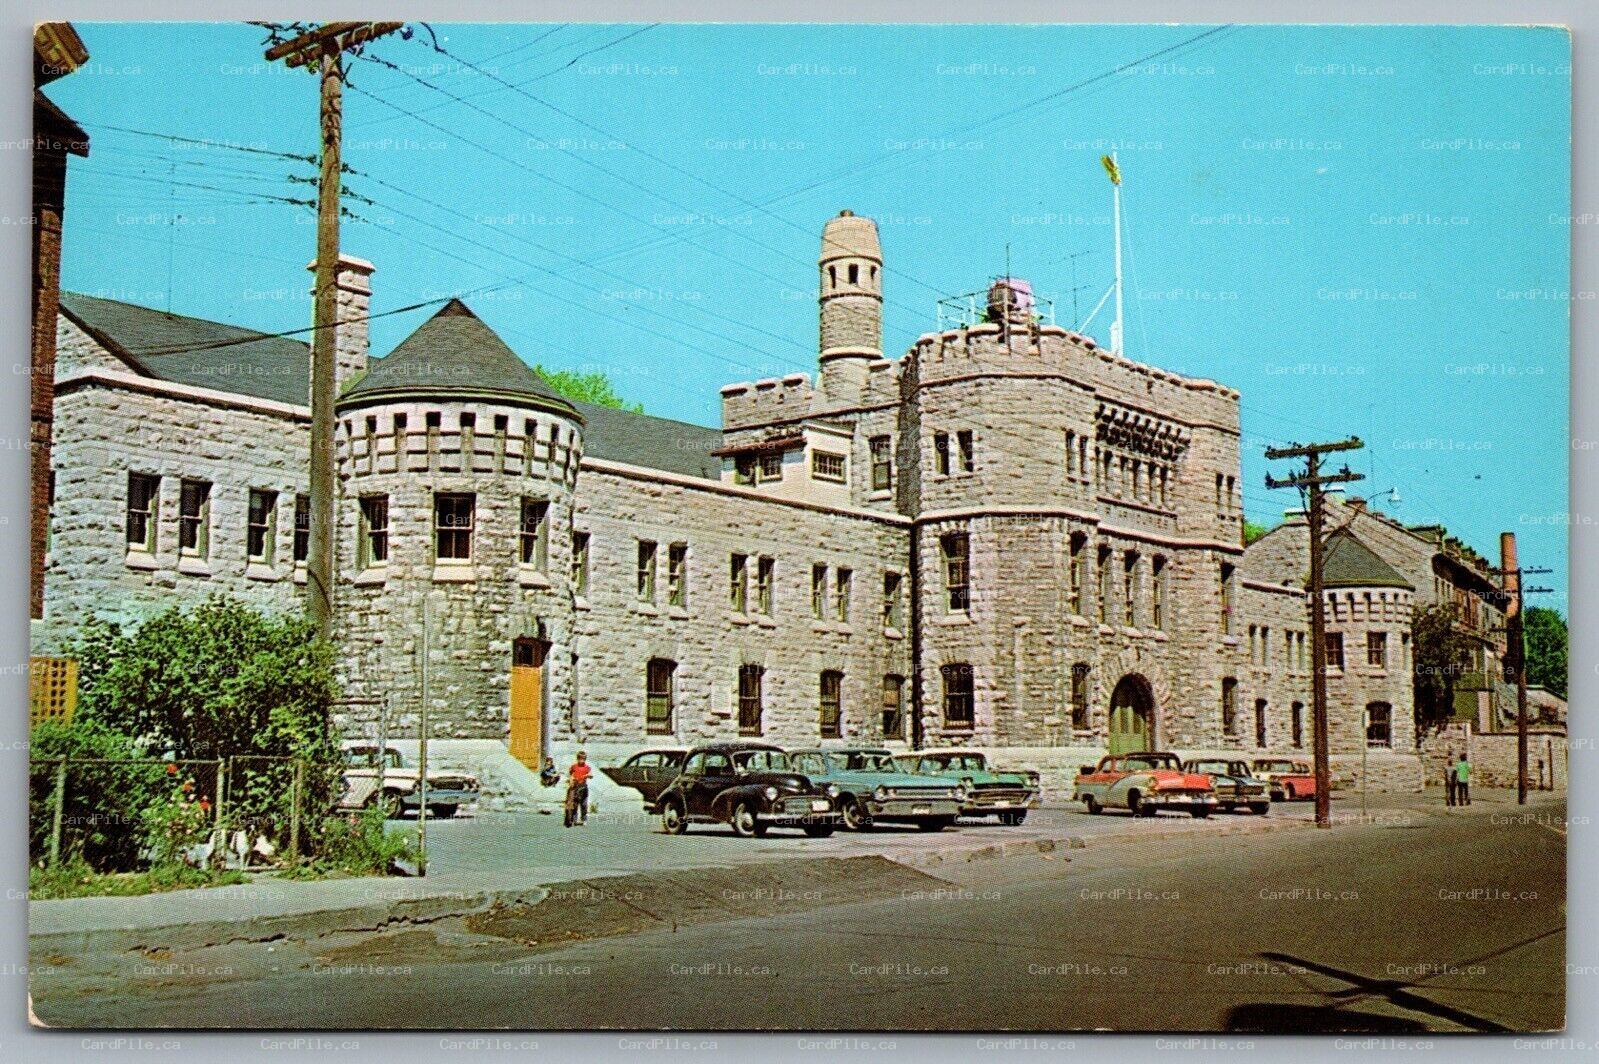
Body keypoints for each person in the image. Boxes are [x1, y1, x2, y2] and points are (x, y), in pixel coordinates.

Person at [564, 751, 592, 828]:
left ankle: (584, 819)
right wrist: (571, 780)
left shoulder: (587, 767)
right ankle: (574, 819)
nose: (582, 761)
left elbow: (590, 774)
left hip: (583, 787)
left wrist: (588, 775)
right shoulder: (574, 766)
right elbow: (571, 775)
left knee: (584, 804)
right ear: (577, 759)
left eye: (583, 759)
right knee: (575, 804)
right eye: (580, 759)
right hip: (576, 787)